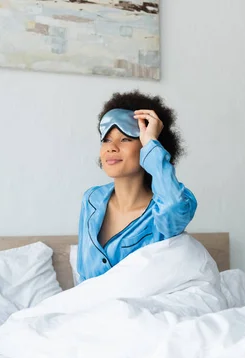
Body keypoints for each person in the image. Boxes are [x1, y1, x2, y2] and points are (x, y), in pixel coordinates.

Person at [76, 90, 197, 283]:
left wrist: (151, 143)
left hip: (146, 310)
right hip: (93, 309)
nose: (111, 147)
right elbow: (83, 275)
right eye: (106, 139)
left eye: (125, 139)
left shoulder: (166, 208)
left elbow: (173, 206)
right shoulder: (92, 200)